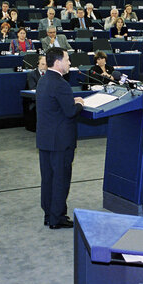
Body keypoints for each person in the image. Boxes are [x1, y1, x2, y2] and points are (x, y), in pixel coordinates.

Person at [36, 48, 85, 229]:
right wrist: (79, 103)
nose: (69, 63)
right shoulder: (61, 83)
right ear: (58, 62)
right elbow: (70, 112)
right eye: (67, 59)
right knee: (61, 179)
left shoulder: (43, 80)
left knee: (47, 178)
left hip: (46, 139)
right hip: (61, 141)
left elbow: (55, 106)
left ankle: (49, 214)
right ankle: (58, 218)